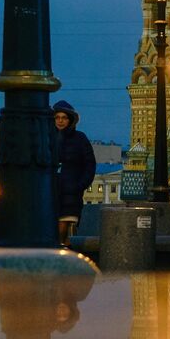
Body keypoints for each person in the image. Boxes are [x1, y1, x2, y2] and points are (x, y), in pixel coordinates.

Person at [52, 100, 95, 247]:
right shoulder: (48, 137)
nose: (60, 121)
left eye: (64, 118)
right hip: (51, 190)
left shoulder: (79, 138)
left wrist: (80, 185)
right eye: (57, 117)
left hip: (71, 191)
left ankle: (67, 255)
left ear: (70, 120)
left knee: (66, 223)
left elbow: (90, 164)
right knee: (52, 224)